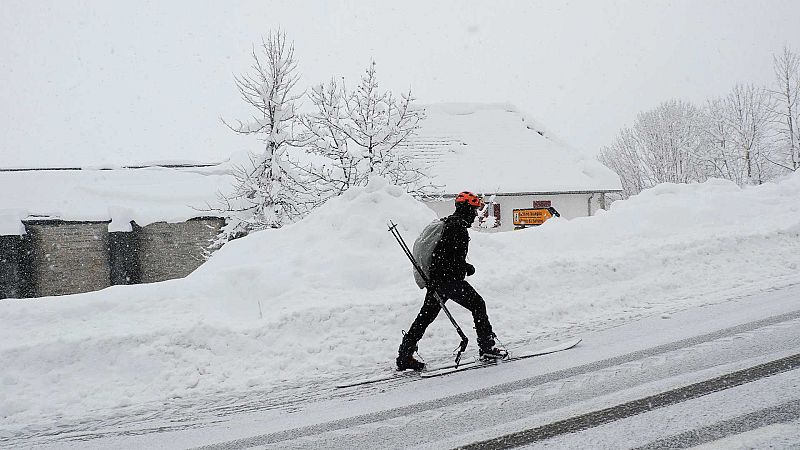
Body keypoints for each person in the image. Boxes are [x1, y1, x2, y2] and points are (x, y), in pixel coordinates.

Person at [397, 191, 506, 371]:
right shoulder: (458, 229)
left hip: (438, 282)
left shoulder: (449, 223)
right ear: (466, 210)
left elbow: (443, 256)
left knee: (425, 317)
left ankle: (405, 355)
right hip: (449, 282)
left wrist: (441, 277)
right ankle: (487, 348)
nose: (475, 215)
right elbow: (448, 260)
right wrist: (466, 268)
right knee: (478, 304)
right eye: (473, 210)